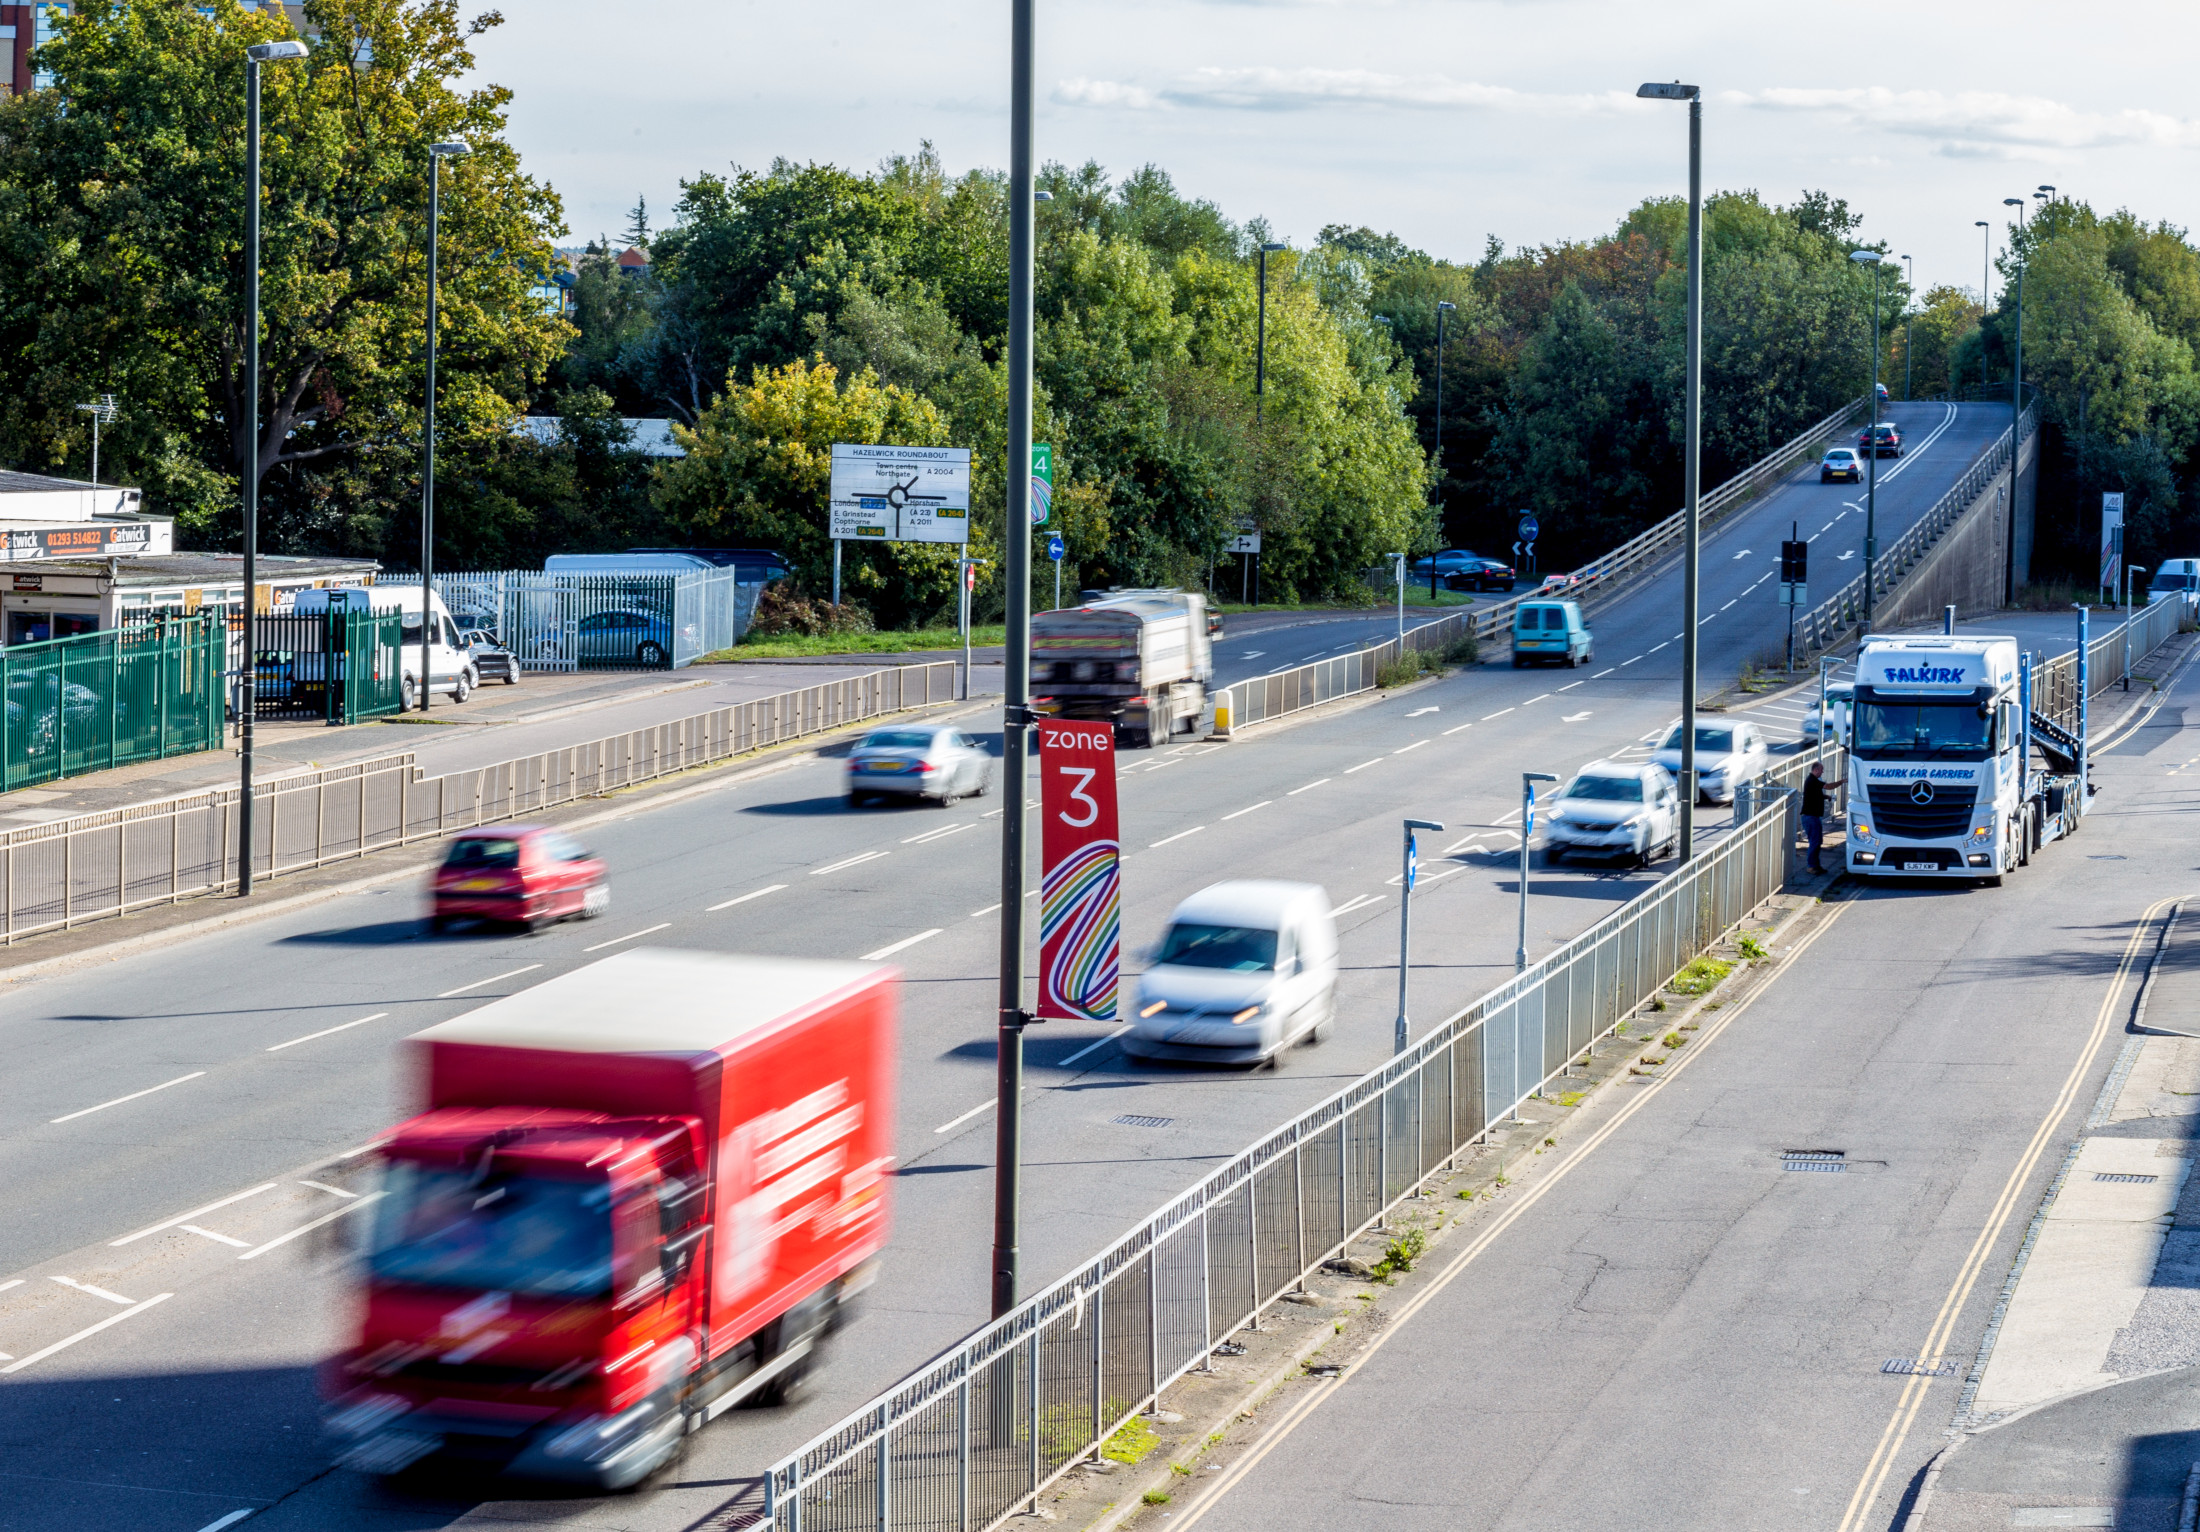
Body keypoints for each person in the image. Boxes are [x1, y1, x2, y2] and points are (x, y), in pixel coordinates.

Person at [1801, 762, 1828, 874]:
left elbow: (1817, 795)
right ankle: (1811, 866)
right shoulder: (1812, 780)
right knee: (1814, 842)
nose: (1822, 772)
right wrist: (1842, 782)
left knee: (1817, 841)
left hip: (1814, 817)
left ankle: (1816, 865)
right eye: (1821, 770)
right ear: (1816, 770)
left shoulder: (1812, 781)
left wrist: (1827, 797)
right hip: (1810, 817)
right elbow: (1828, 786)